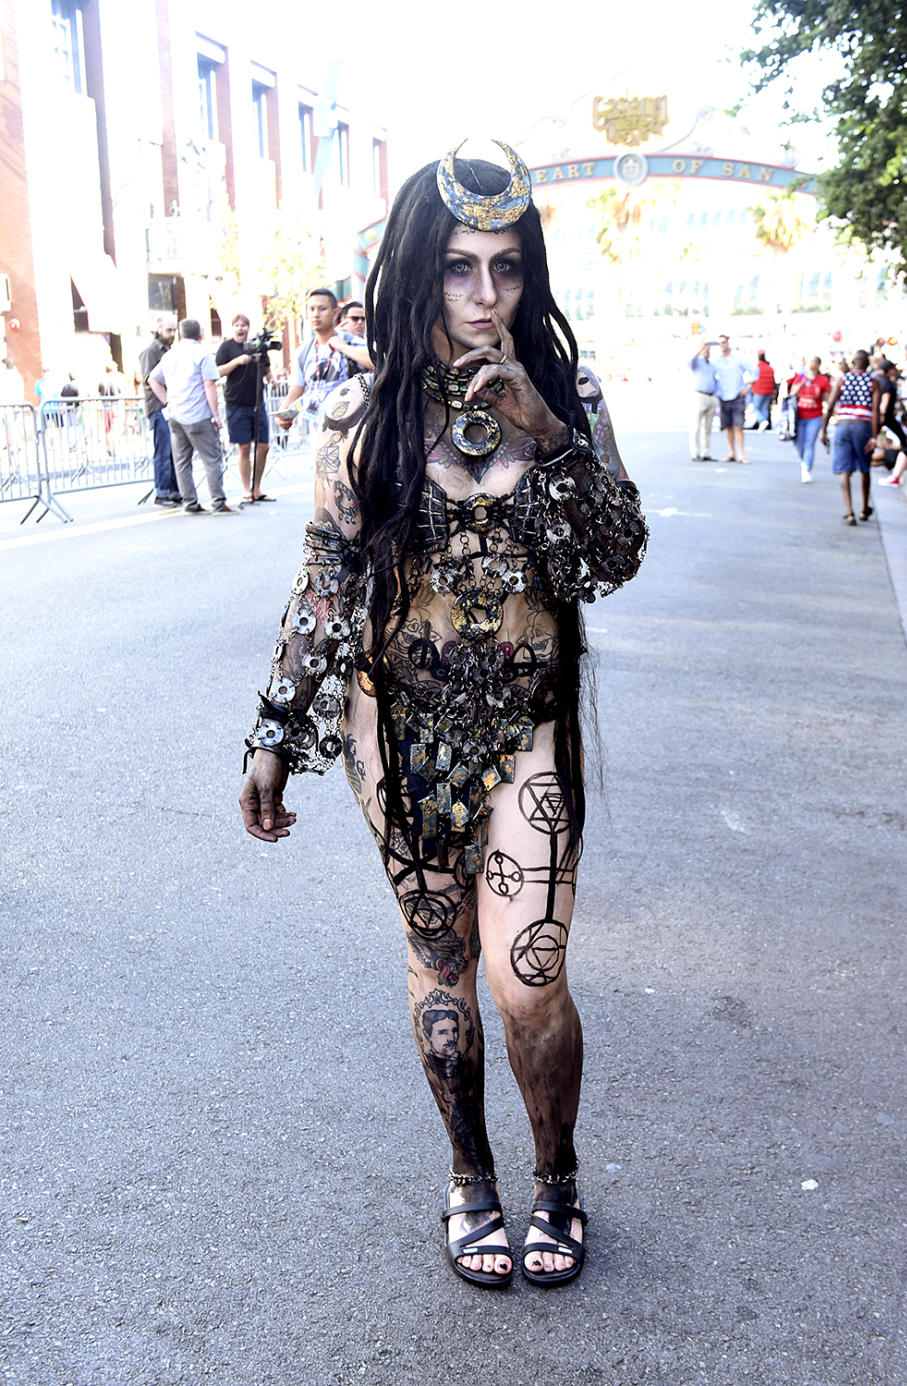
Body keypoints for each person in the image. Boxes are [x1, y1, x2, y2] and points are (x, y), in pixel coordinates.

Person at [238, 140, 648, 1289]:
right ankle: (471, 1177)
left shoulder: (568, 401)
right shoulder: (363, 424)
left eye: (507, 269)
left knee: (527, 977)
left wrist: (545, 434)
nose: (484, 298)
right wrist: (277, 730)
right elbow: (324, 584)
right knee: (439, 968)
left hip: (528, 730)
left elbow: (614, 557)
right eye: (460, 269)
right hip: (398, 742)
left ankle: (556, 1174)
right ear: (419, 273)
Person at [147, 319, 235, 514]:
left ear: (181, 333)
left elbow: (152, 379)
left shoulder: (170, 355)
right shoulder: (202, 354)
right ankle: (218, 502)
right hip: (198, 414)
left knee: (182, 461)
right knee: (211, 459)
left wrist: (167, 401)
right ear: (200, 334)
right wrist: (216, 415)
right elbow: (209, 385)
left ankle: (190, 502)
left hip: (176, 414)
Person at [275, 289, 371, 436]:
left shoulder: (352, 342)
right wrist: (283, 415)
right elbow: (295, 392)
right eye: (312, 309)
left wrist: (341, 346)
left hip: (354, 433)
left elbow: (377, 363)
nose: (316, 314)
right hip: (319, 436)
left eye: (322, 309)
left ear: (335, 313)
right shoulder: (303, 353)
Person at [215, 313, 274, 503]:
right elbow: (217, 371)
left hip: (257, 402)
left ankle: (257, 488)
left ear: (248, 328)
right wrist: (237, 361)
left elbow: (266, 369)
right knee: (244, 447)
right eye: (237, 325)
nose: (240, 328)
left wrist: (271, 379)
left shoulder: (257, 345)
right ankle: (246, 490)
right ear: (232, 328)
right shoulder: (226, 347)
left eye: (244, 325)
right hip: (236, 403)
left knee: (263, 446)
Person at [820, 348, 874, 525]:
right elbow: (877, 411)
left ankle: (849, 511)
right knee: (864, 468)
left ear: (853, 363)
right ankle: (864, 508)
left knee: (845, 470)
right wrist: (874, 437)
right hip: (863, 426)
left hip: (843, 425)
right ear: (867, 364)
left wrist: (823, 431)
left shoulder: (843, 380)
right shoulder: (873, 381)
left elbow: (830, 406)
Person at [138, 313, 181, 507]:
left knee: (173, 450)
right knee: (163, 451)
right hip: (158, 407)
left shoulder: (169, 350)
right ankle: (162, 492)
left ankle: (173, 490)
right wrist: (165, 402)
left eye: (174, 330)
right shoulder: (152, 351)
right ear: (159, 329)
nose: (171, 334)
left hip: (169, 405)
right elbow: (150, 380)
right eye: (168, 330)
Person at [713, 333, 757, 463]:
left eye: (723, 342)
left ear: (728, 342)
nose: (722, 345)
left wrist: (748, 387)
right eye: (719, 343)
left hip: (737, 395)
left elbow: (754, 371)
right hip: (723, 396)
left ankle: (741, 454)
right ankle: (731, 452)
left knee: (738, 425)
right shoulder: (717, 361)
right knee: (728, 426)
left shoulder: (738, 358)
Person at [789, 356, 831, 482]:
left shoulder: (823, 380)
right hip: (799, 415)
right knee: (798, 441)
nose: (812, 364)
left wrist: (829, 414)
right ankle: (804, 460)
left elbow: (828, 399)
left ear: (818, 365)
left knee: (809, 443)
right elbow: (792, 393)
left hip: (815, 416)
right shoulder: (801, 377)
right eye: (810, 362)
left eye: (814, 362)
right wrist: (801, 384)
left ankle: (807, 468)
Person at [688, 340, 716, 460]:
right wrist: (700, 349)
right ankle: (695, 453)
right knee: (696, 426)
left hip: (711, 396)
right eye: (705, 349)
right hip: (700, 396)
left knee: (708, 427)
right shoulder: (697, 363)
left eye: (708, 350)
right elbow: (690, 362)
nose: (706, 352)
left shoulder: (711, 365)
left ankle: (706, 452)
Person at [750, 351, 776, 431]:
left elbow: (753, 379)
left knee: (756, 408)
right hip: (768, 391)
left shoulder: (757, 367)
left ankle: (762, 421)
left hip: (759, 391)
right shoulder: (770, 368)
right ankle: (764, 424)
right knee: (764, 408)